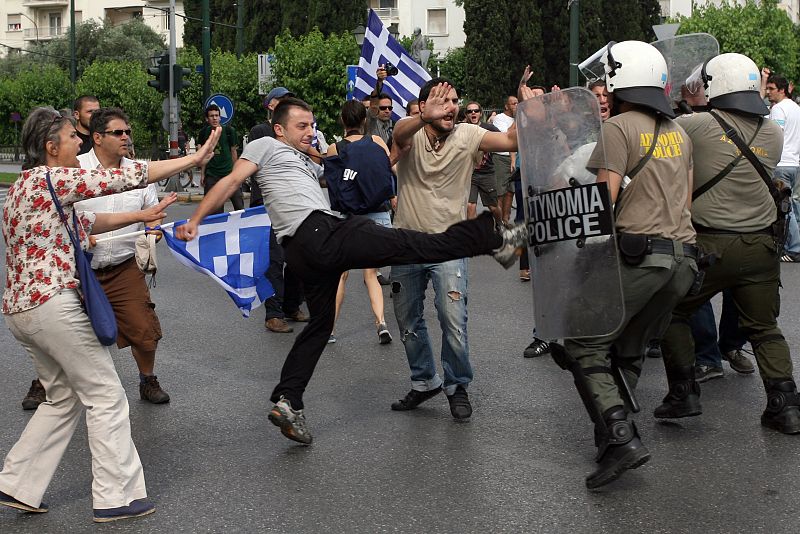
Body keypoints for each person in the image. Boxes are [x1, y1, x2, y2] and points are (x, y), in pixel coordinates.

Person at [173, 96, 528, 445]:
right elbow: (232, 182)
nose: (310, 131)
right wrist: (195, 220)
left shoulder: (303, 159)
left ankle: (289, 401)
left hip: (304, 252)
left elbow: (354, 176)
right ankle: (497, 237)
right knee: (413, 244)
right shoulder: (265, 145)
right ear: (278, 129)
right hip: (320, 233)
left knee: (320, 325)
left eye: (312, 125)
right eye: (301, 126)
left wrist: (389, 157)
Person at [0, 106, 220, 521]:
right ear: (51, 147)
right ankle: (116, 496)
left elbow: (85, 225)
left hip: (21, 310)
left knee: (62, 396)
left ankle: (17, 483)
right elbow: (125, 175)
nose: (79, 142)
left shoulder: (23, 187)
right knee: (106, 397)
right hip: (53, 305)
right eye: (71, 138)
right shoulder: (55, 177)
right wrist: (194, 159)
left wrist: (140, 216)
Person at [560, 41, 696, 488]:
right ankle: (609, 437)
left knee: (583, 343)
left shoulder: (618, 127)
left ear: (619, 80)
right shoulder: (678, 131)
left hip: (642, 254)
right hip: (683, 262)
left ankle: (621, 439)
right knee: (630, 347)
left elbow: (603, 201)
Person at [655, 53, 800, 435]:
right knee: (764, 327)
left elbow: (661, 130)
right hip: (761, 248)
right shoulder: (773, 131)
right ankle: (786, 407)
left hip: (709, 245)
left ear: (714, 84)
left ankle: (683, 393)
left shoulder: (696, 124)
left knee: (671, 313)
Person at [388, 76, 531, 421]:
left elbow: (512, 140)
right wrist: (422, 118)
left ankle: (456, 385)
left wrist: (529, 107)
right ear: (423, 107)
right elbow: (399, 135)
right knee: (408, 320)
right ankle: (424, 381)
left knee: (453, 320)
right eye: (442, 100)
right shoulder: (410, 134)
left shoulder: (469, 134)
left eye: (454, 100)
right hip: (407, 243)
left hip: (450, 246)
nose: (451, 107)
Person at [21, 107, 172, 411]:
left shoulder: (140, 172)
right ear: (99, 138)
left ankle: (148, 379)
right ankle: (43, 384)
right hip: (79, 269)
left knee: (144, 329)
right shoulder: (75, 168)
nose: (126, 137)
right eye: (119, 132)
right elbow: (64, 216)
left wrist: (152, 234)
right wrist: (78, 233)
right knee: (61, 334)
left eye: (128, 131)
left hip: (124, 267)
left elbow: (152, 218)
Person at [327, 100, 397, 345]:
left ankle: (330, 329)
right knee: (371, 274)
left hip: (348, 217)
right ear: (365, 121)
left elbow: (333, 183)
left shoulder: (334, 149)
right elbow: (387, 172)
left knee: (341, 274)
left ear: (343, 121)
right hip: (377, 212)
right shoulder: (377, 142)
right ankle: (381, 323)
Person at [248, 87, 309, 333]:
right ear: (271, 105)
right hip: (267, 206)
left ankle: (292, 305)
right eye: (283, 101)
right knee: (273, 261)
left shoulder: (295, 132)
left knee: (299, 258)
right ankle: (273, 313)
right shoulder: (261, 133)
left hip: (293, 204)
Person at [763, 71, 800, 262]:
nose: (768, 92)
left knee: (785, 207)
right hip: (794, 164)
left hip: (782, 163)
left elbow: (774, 135)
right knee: (793, 204)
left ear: (782, 90)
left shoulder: (778, 109)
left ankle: (793, 248)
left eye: (771, 89)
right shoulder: (795, 107)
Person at [198, 104, 243, 215]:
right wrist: (203, 174)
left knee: (240, 208)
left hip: (229, 174)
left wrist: (236, 172)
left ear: (220, 117)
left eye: (217, 115)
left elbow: (233, 151)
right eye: (211, 116)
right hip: (212, 176)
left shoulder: (229, 131)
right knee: (214, 211)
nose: (214, 118)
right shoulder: (204, 133)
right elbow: (204, 155)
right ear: (207, 119)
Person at [463, 101, 502, 223]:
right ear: (466, 114)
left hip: (487, 173)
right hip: (470, 174)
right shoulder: (462, 129)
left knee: (493, 207)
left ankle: (500, 224)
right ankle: (473, 235)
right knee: (470, 205)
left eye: (476, 111)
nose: (473, 113)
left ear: (480, 113)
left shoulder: (489, 128)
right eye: (470, 111)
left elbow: (504, 140)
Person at [490, 95, 518, 224]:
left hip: (515, 158)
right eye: (513, 104)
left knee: (510, 190)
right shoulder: (499, 118)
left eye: (518, 103)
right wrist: (517, 119)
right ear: (506, 106)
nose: (516, 106)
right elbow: (507, 136)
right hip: (501, 157)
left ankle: (506, 220)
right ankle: (498, 222)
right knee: (500, 191)